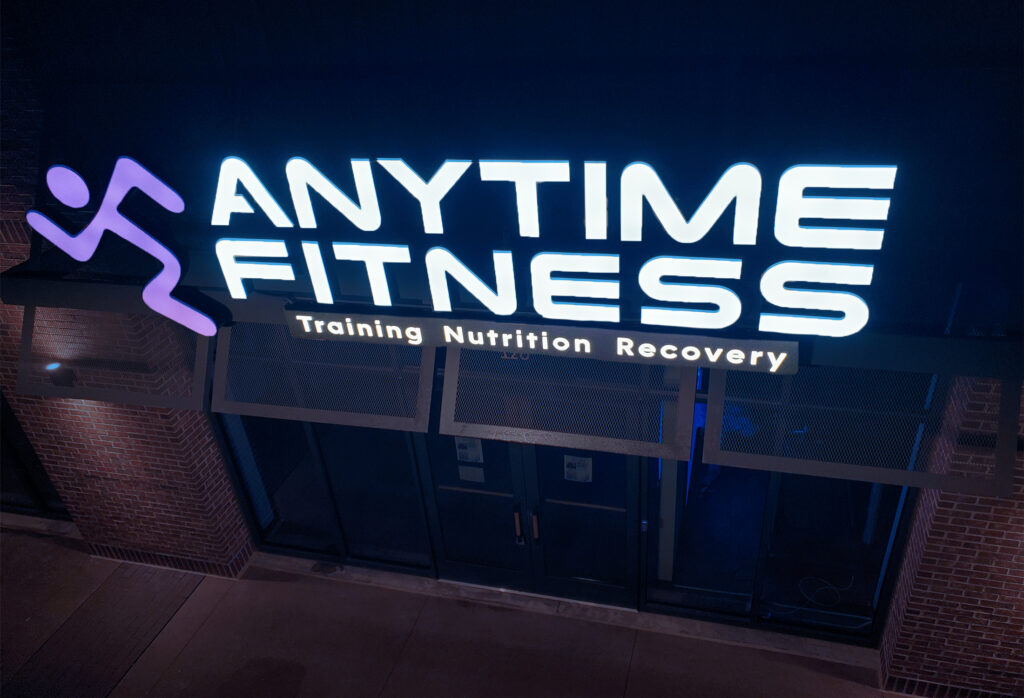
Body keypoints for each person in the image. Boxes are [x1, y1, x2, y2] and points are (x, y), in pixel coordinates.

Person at [26, 157, 217, 336]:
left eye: (69, 189)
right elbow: (81, 250)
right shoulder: (101, 215)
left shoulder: (116, 185)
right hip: (167, 259)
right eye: (64, 196)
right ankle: (196, 317)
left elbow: (151, 185)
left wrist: (171, 200)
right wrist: (45, 224)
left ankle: (197, 317)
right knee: (155, 292)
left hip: (168, 257)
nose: (71, 197)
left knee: (163, 281)